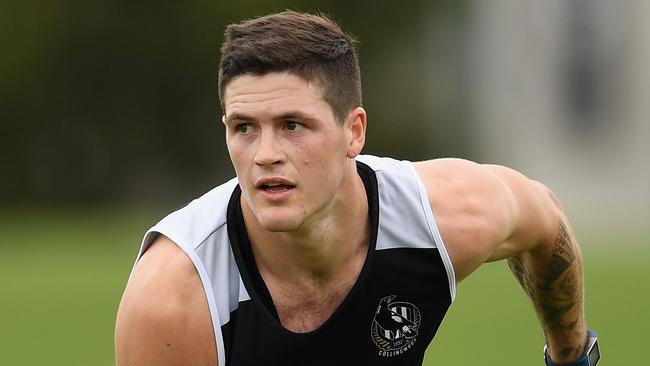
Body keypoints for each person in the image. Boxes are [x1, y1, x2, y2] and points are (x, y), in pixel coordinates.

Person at [115, 10, 599, 366]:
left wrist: (571, 354)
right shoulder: (174, 298)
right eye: (244, 127)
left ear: (355, 132)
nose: (265, 154)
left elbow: (544, 219)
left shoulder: (442, 216)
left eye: (293, 125)